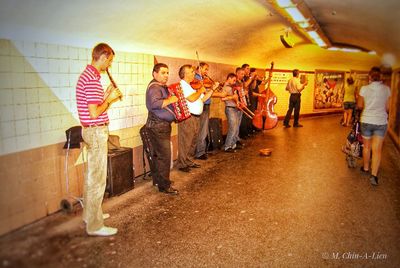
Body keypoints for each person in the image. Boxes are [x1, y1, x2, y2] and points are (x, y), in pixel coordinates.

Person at [76, 43, 122, 236]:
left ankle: (90, 214)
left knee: (91, 176)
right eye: (109, 60)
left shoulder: (86, 76)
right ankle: (95, 225)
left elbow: (92, 106)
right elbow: (95, 113)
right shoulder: (93, 80)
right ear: (102, 57)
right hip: (96, 131)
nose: (108, 64)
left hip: (89, 131)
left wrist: (105, 95)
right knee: (97, 179)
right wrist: (110, 99)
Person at [145, 63, 179, 194]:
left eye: (167, 73)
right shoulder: (154, 88)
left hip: (159, 125)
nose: (166, 76)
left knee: (158, 155)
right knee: (164, 156)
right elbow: (155, 104)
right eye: (163, 73)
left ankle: (160, 180)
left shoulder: (159, 87)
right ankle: (165, 186)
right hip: (158, 125)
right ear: (154, 74)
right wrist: (172, 99)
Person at [357, 66, 391, 186]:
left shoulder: (364, 89)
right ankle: (374, 175)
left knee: (366, 147)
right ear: (380, 77)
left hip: (366, 120)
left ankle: (366, 168)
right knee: (377, 150)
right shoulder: (387, 89)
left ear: (370, 77)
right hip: (381, 122)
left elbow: (360, 106)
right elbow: (387, 108)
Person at [176, 65, 213, 172]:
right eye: (191, 72)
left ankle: (189, 161)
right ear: (184, 74)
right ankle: (182, 164)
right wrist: (200, 91)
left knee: (193, 141)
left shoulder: (192, 86)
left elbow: (203, 99)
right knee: (186, 142)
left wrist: (212, 90)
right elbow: (192, 98)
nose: (194, 74)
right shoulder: (182, 85)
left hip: (196, 117)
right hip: (188, 117)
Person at [194, 62, 225, 160]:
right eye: (205, 69)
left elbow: (208, 90)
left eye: (207, 69)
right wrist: (217, 93)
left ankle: (202, 150)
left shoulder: (204, 80)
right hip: (201, 105)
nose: (207, 72)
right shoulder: (196, 80)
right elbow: (205, 92)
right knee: (202, 130)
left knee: (203, 129)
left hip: (206, 105)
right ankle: (200, 152)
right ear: (199, 68)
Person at [221, 73, 239, 152]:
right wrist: (233, 97)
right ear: (229, 78)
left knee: (236, 127)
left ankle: (233, 144)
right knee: (232, 128)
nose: (235, 82)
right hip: (229, 108)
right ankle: (227, 146)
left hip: (234, 108)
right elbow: (222, 98)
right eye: (234, 80)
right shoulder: (225, 87)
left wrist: (237, 101)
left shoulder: (232, 87)